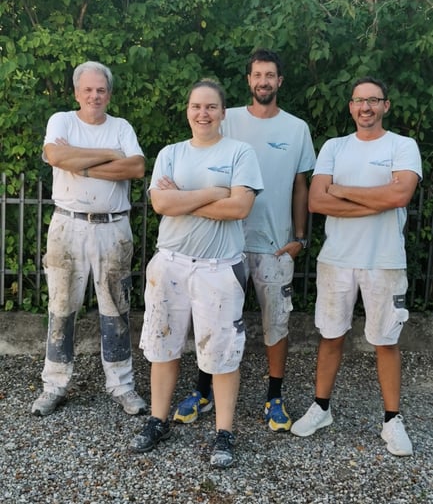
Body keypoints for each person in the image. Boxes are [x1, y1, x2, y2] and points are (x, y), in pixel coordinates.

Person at [173, 49, 316, 432]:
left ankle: (274, 397)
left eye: (270, 75)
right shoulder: (227, 118)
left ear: (279, 81)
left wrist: (300, 238)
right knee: (213, 320)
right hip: (224, 244)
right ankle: (203, 391)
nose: (263, 81)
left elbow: (301, 186)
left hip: (275, 246)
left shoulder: (297, 128)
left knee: (276, 325)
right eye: (257, 75)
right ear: (248, 80)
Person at [129, 79, 263, 469]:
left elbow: (239, 209)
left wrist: (182, 199)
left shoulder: (240, 152)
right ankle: (158, 420)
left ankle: (224, 432)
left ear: (223, 113)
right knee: (163, 346)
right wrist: (214, 192)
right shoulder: (170, 153)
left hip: (218, 269)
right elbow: (160, 204)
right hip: (170, 264)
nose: (203, 114)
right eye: (196, 106)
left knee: (222, 354)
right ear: (187, 110)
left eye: (211, 107)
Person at [290, 76, 422, 457]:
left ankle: (392, 420)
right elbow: (317, 201)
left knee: (386, 341)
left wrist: (343, 191)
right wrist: (378, 200)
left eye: (374, 100)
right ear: (350, 107)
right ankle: (321, 408)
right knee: (331, 336)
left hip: (385, 260)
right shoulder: (334, 147)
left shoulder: (402, 146)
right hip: (337, 259)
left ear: (386, 106)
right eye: (359, 101)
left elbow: (401, 194)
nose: (366, 107)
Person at [32, 61, 146, 417]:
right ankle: (54, 385)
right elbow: (55, 155)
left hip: (113, 227)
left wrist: (77, 163)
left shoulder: (121, 127)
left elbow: (136, 167)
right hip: (68, 225)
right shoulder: (62, 121)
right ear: (76, 92)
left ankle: (122, 385)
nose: (94, 96)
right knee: (61, 306)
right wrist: (110, 155)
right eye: (88, 90)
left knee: (116, 307)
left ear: (108, 94)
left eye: (101, 90)